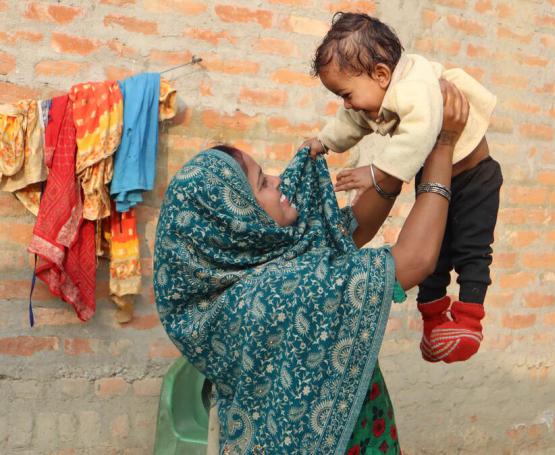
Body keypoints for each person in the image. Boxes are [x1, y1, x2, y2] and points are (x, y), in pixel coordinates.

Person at [154, 81, 469, 453]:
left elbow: (351, 231)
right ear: (238, 219)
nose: (278, 181)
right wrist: (443, 144)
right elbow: (415, 260)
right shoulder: (271, 295)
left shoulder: (255, 268)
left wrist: (394, 164)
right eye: (262, 183)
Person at [299, 12, 503, 364]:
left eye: (346, 93)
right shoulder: (374, 92)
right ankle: (435, 320)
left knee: (472, 247)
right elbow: (349, 121)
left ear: (381, 74)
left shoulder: (414, 88)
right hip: (438, 176)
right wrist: (324, 142)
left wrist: (378, 174)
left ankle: (469, 319)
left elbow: (421, 135)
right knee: (436, 252)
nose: (345, 103)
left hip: (473, 177)